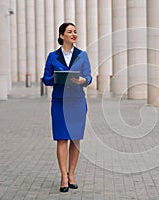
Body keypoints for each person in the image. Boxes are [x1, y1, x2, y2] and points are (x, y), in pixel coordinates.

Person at [42, 22, 92, 192]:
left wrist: (82, 81)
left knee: (75, 139)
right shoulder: (52, 56)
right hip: (59, 102)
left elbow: (89, 77)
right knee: (62, 138)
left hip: (77, 102)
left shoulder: (82, 55)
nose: (73, 34)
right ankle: (63, 176)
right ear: (62, 36)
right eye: (70, 32)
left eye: (75, 31)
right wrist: (56, 78)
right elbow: (46, 78)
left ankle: (72, 174)